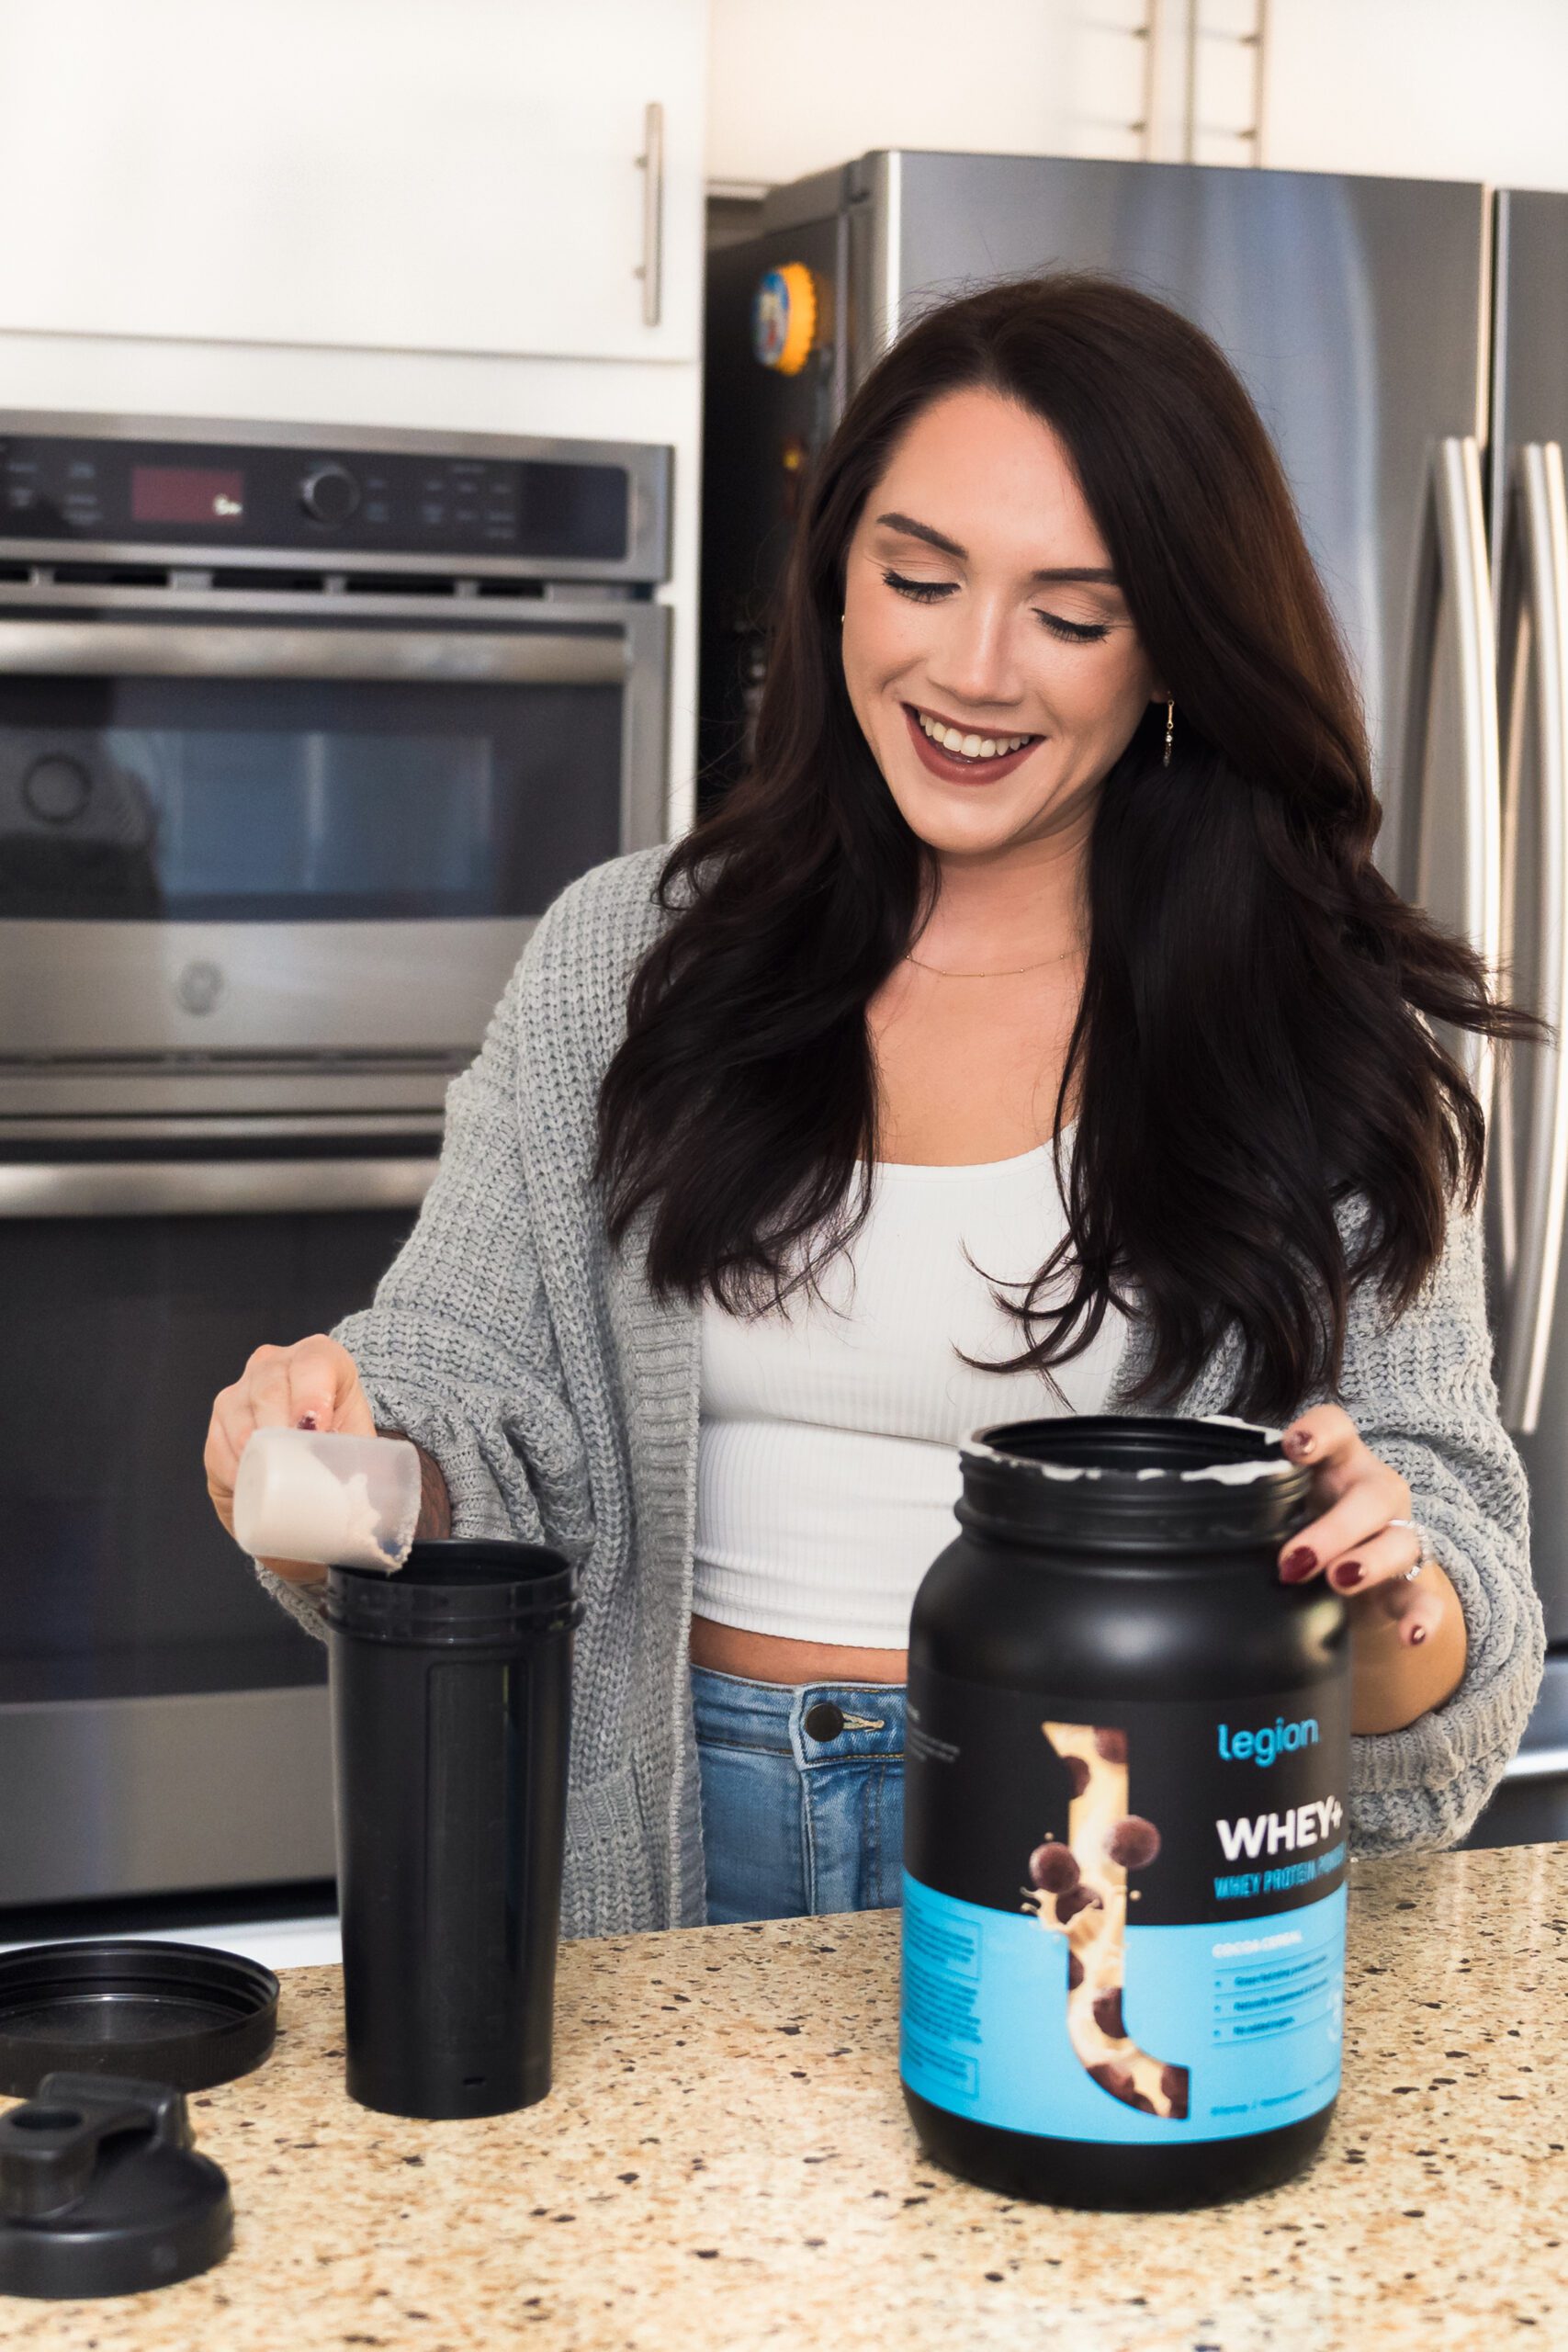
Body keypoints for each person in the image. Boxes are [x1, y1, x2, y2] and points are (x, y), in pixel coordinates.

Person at [204, 274, 1545, 1937]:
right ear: (839, 571)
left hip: (1105, 1870)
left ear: (1176, 653)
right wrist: (334, 1459)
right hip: (669, 1866)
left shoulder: (1312, 1022)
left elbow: (1450, 1561)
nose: (974, 671)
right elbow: (468, 1401)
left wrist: (1382, 1597)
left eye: (1074, 613)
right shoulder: (631, 954)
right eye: (920, 578)